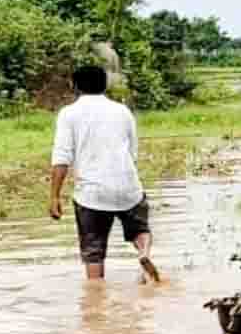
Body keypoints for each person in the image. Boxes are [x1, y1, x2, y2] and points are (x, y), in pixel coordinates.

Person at [48, 64, 160, 282]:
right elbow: (132, 152)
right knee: (140, 229)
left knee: (93, 253)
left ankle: (95, 296)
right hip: (129, 187)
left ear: (75, 85)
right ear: (105, 85)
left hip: (92, 194)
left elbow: (62, 158)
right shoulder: (122, 111)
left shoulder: (69, 114)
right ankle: (143, 252)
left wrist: (54, 196)